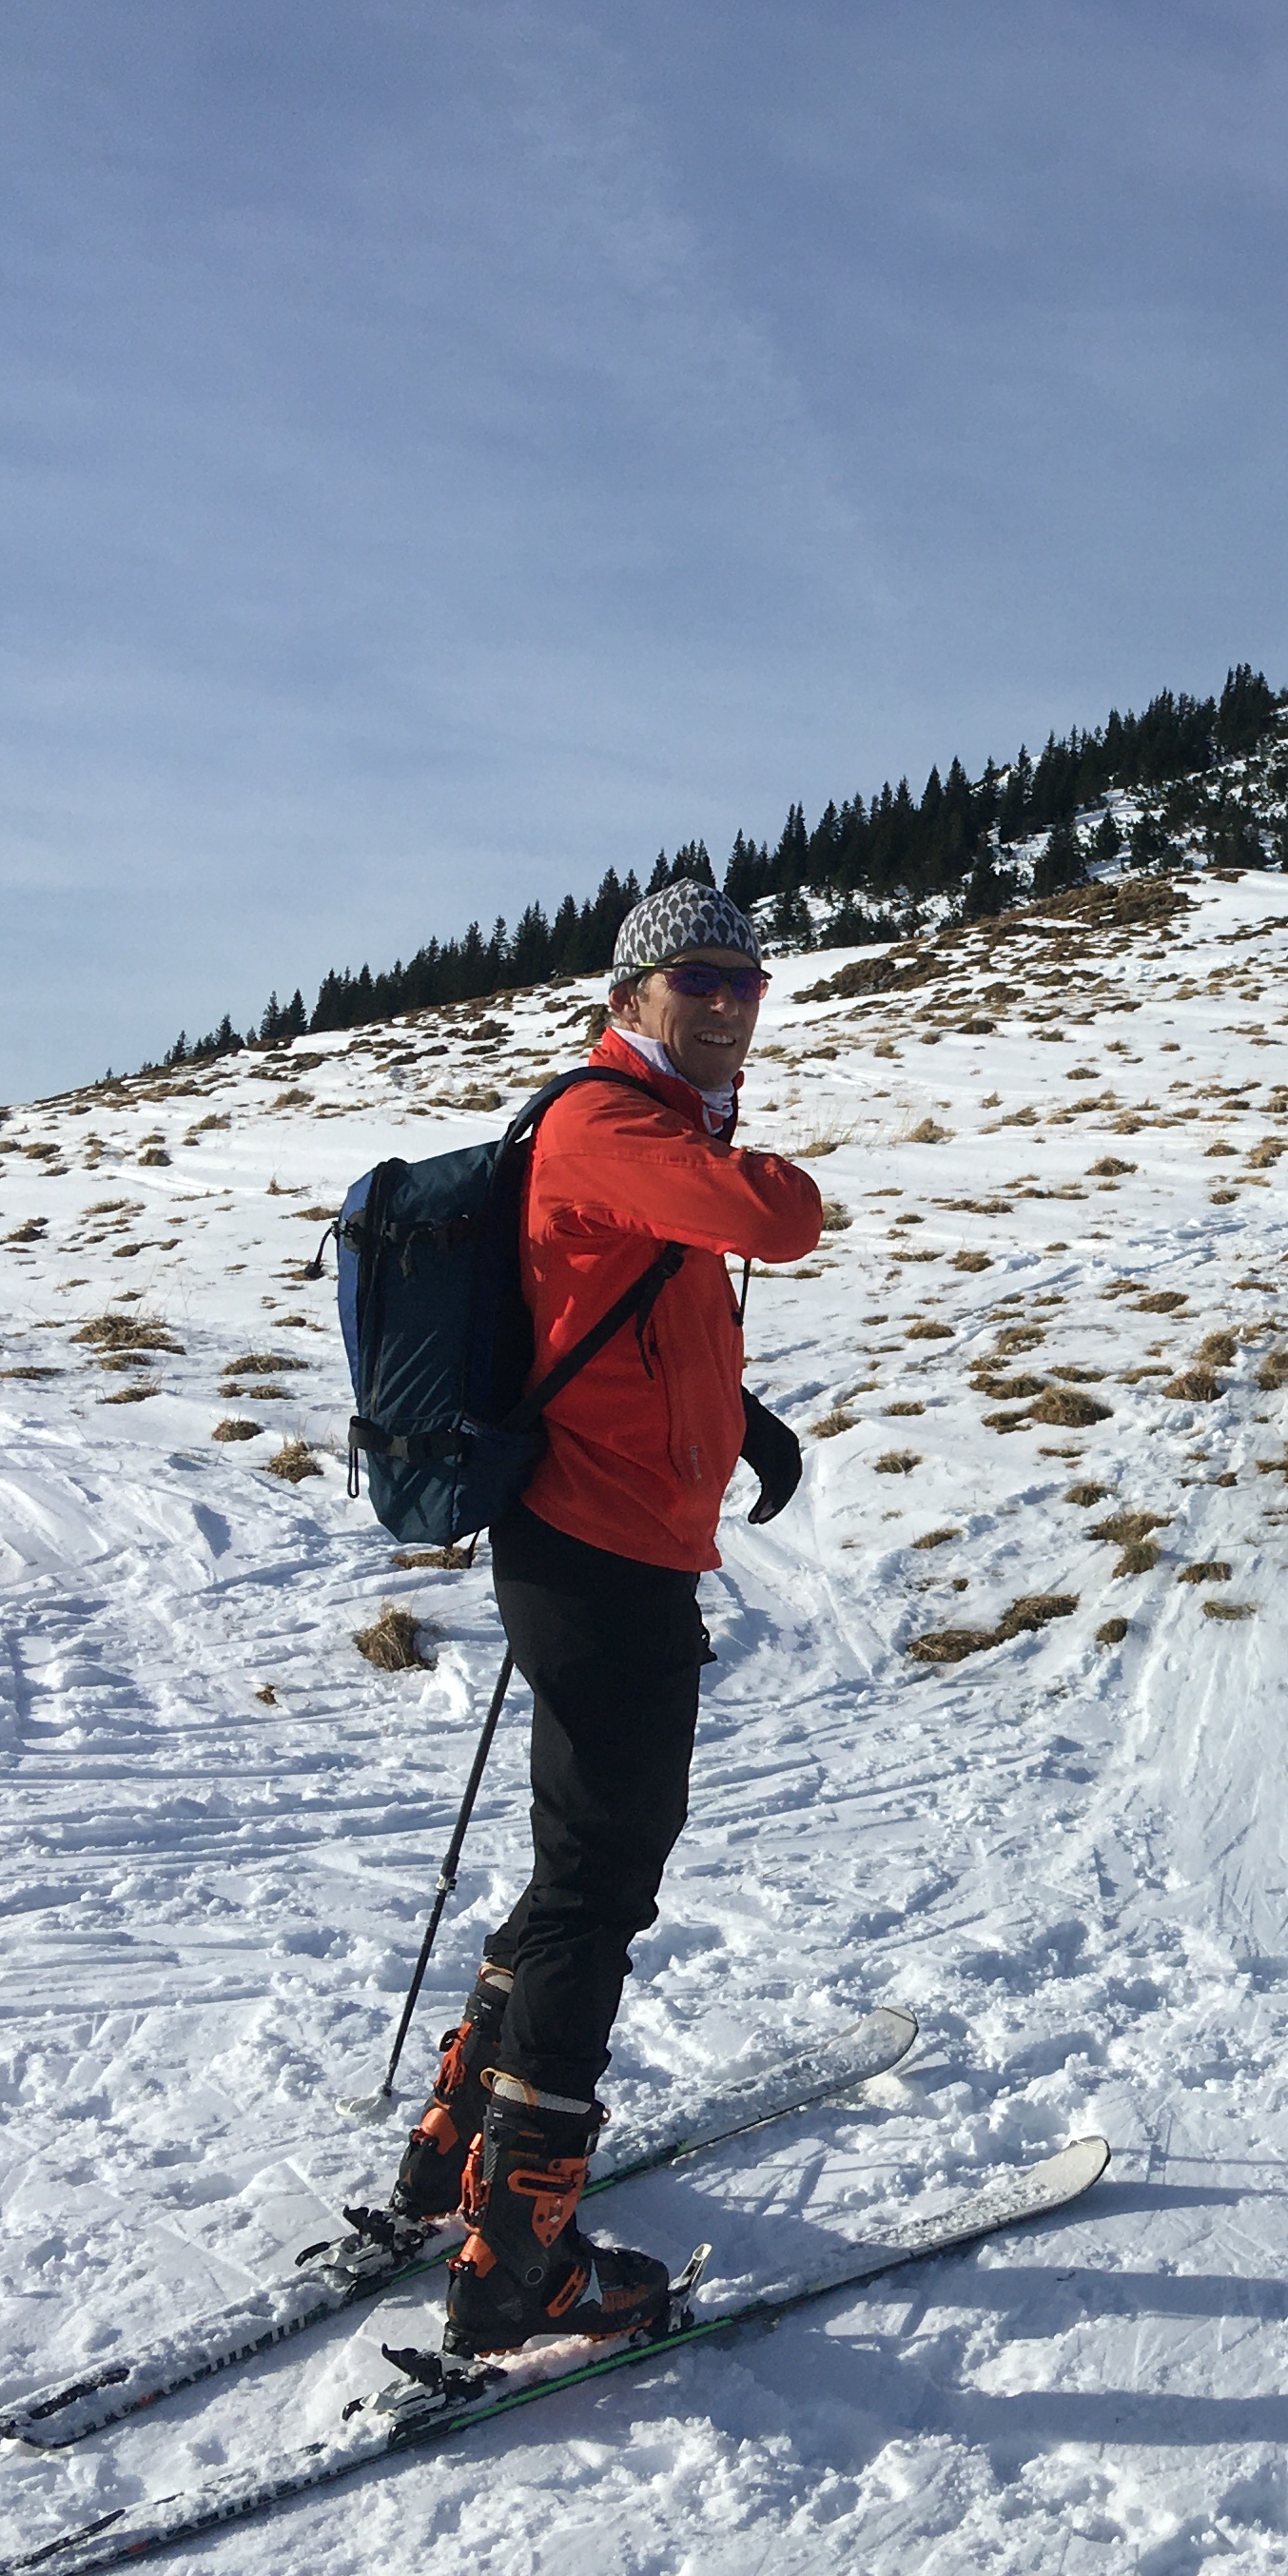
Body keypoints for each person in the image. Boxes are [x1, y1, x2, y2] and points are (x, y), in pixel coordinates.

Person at [381, 882, 824, 2351]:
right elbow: (782, 1218)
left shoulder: (641, 1137)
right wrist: (739, 1158)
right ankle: (521, 2258)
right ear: (633, 995)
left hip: (615, 1541)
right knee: (598, 1891)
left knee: (575, 1865)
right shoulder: (609, 1124)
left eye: (745, 984)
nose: (726, 1002)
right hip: (597, 1559)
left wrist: (741, 1422)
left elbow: (629, 1311)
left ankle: (457, 2152)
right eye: (698, 978)